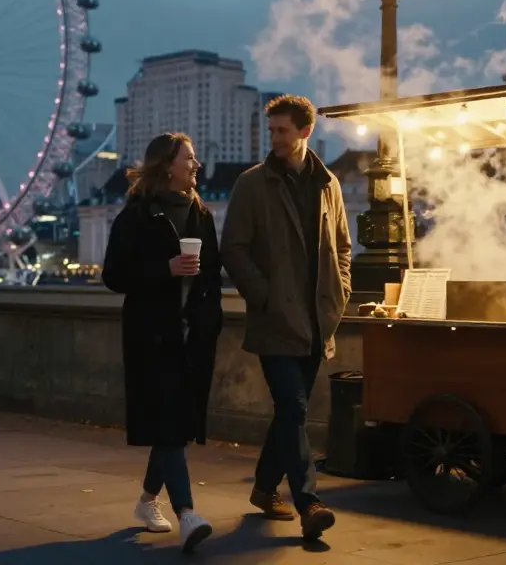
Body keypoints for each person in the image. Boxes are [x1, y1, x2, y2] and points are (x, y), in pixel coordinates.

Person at [220, 94, 353, 542]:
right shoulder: (252, 184)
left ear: (304, 132)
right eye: (271, 130)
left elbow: (343, 248)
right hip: (275, 321)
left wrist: (341, 293)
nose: (273, 138)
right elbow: (232, 249)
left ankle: (262, 488)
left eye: (282, 130)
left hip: (317, 322)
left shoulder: (328, 183)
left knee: (288, 413)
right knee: (294, 408)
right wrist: (265, 296)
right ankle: (309, 503)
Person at [101, 133, 223, 554]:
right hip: (153, 335)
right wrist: (165, 269)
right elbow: (114, 275)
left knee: (174, 426)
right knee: (170, 422)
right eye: (189, 157)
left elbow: (211, 276)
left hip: (191, 336)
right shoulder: (136, 216)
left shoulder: (201, 214)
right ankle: (187, 514)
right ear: (168, 164)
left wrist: (211, 323)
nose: (196, 164)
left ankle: (147, 501)